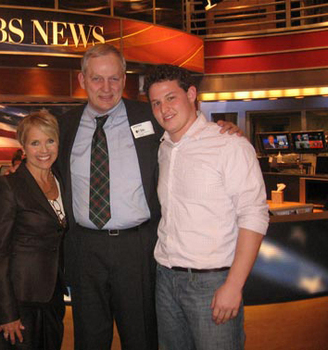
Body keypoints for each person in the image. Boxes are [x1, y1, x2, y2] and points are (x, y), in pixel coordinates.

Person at [56, 44, 241, 350]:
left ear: (124, 79)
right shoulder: (65, 125)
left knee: (142, 337)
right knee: (88, 340)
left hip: (138, 248)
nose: (106, 88)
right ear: (82, 80)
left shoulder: (152, 115)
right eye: (97, 79)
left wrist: (222, 130)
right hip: (84, 249)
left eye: (114, 78)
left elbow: (190, 130)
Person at [143, 64, 269, 350]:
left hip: (211, 282)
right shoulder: (163, 148)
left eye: (171, 98)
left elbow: (254, 215)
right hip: (165, 277)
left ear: (191, 94)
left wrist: (234, 285)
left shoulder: (228, 145)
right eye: (156, 103)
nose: (164, 109)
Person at [0, 110, 67, 350]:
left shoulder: (60, 179)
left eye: (50, 141)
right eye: (35, 142)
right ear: (24, 146)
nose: (44, 150)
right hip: (19, 299)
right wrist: (7, 312)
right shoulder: (8, 186)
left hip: (51, 296)